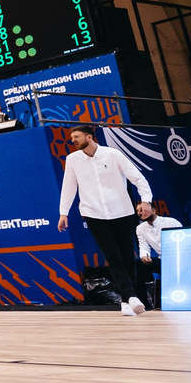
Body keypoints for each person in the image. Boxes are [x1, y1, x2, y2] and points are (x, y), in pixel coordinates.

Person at [57, 124, 153, 316]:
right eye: (72, 137)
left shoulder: (113, 154)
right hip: (94, 214)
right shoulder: (72, 159)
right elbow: (69, 186)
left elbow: (138, 178)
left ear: (89, 137)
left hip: (122, 212)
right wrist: (63, 212)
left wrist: (146, 200)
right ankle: (131, 297)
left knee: (127, 257)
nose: (73, 140)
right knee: (113, 257)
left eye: (76, 137)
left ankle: (126, 300)